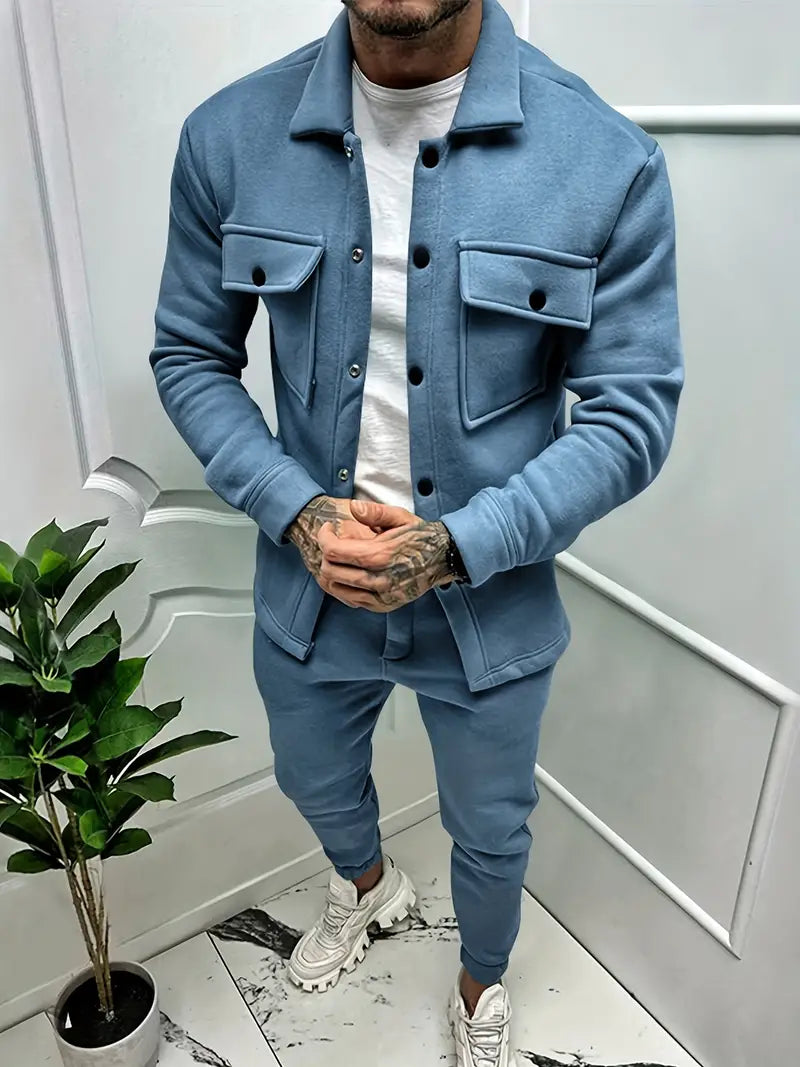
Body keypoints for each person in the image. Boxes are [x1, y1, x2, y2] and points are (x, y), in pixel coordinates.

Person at [150, 0, 683, 1061]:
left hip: (490, 599)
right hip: (309, 584)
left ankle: (481, 985)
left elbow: (631, 415)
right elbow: (189, 354)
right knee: (309, 774)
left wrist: (454, 545)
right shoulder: (226, 137)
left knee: (490, 826)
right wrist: (296, 510)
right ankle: (367, 887)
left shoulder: (606, 160)